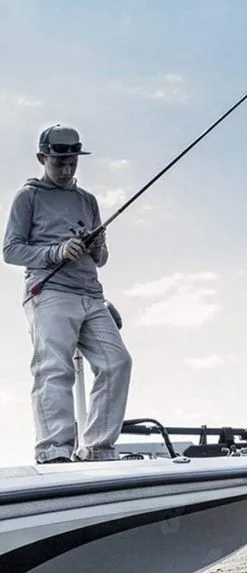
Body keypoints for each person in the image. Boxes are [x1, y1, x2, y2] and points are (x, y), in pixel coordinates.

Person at [2, 124, 132, 464]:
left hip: (91, 294)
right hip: (51, 292)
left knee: (117, 361)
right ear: (42, 158)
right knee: (53, 368)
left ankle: (97, 449)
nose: (66, 169)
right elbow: (11, 250)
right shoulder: (28, 197)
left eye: (72, 162)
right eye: (59, 162)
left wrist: (98, 245)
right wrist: (55, 252)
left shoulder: (87, 201)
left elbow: (101, 260)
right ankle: (54, 450)